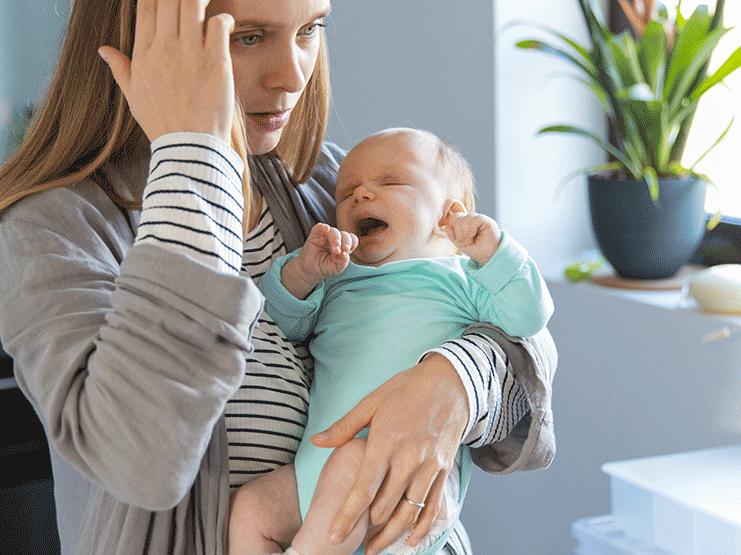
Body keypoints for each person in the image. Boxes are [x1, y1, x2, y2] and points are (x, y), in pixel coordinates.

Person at [0, 0, 557, 555]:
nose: (292, 73)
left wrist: (453, 384)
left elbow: (524, 370)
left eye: (311, 30)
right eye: (249, 37)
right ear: (147, 38)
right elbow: (141, 461)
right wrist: (192, 156)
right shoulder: (56, 230)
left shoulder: (321, 190)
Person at [228, 128, 553, 555]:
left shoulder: (462, 278)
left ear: (447, 214)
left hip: (398, 476)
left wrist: (496, 252)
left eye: (390, 182)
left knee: (351, 463)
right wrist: (302, 275)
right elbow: (276, 325)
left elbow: (528, 318)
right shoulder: (337, 275)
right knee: (252, 509)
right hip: (312, 472)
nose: (360, 196)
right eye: (346, 193)